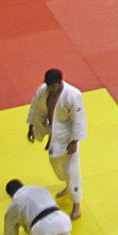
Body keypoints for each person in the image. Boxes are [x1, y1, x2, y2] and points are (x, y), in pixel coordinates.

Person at [27, 70, 86, 218]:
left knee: (72, 170)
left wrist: (75, 141)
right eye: (49, 86)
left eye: (53, 87)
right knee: (56, 164)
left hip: (68, 133)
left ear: (60, 83)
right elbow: (35, 108)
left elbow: (79, 120)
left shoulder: (73, 95)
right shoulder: (43, 91)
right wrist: (31, 127)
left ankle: (76, 204)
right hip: (53, 130)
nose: (51, 90)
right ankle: (68, 186)